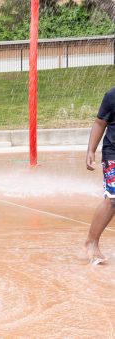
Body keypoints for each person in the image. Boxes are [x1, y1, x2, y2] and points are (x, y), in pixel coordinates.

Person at [85, 86, 115, 265]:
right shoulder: (112, 95)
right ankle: (92, 241)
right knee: (113, 198)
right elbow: (99, 123)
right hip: (113, 153)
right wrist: (91, 150)